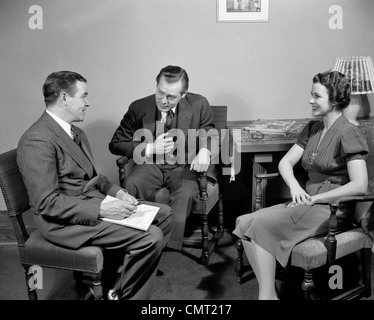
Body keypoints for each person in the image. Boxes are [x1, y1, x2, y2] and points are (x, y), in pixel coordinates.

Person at [17, 71, 174, 300]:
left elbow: (95, 178)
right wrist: (102, 210)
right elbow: (46, 203)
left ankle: (116, 283)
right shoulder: (37, 140)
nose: (87, 103)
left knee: (166, 215)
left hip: (92, 203)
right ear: (63, 98)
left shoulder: (75, 132)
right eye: (83, 96)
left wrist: (119, 193)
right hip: (63, 223)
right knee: (151, 236)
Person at [233, 70, 369, 300]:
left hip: (332, 208)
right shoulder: (313, 128)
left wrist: (317, 198)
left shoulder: (349, 132)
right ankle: (269, 294)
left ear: (335, 100)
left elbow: (360, 186)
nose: (310, 100)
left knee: (257, 226)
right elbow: (286, 162)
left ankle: (266, 297)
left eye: (317, 96)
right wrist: (295, 187)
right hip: (308, 200)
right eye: (311, 94)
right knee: (242, 221)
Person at [109, 65, 219, 251]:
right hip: (151, 164)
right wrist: (151, 147)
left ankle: (162, 249)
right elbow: (116, 143)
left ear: (184, 94)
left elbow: (210, 131)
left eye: (171, 96)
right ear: (156, 85)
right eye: (160, 92)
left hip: (185, 167)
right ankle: (132, 242)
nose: (163, 100)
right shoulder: (139, 107)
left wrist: (205, 151)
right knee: (132, 184)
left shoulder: (199, 104)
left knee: (184, 197)